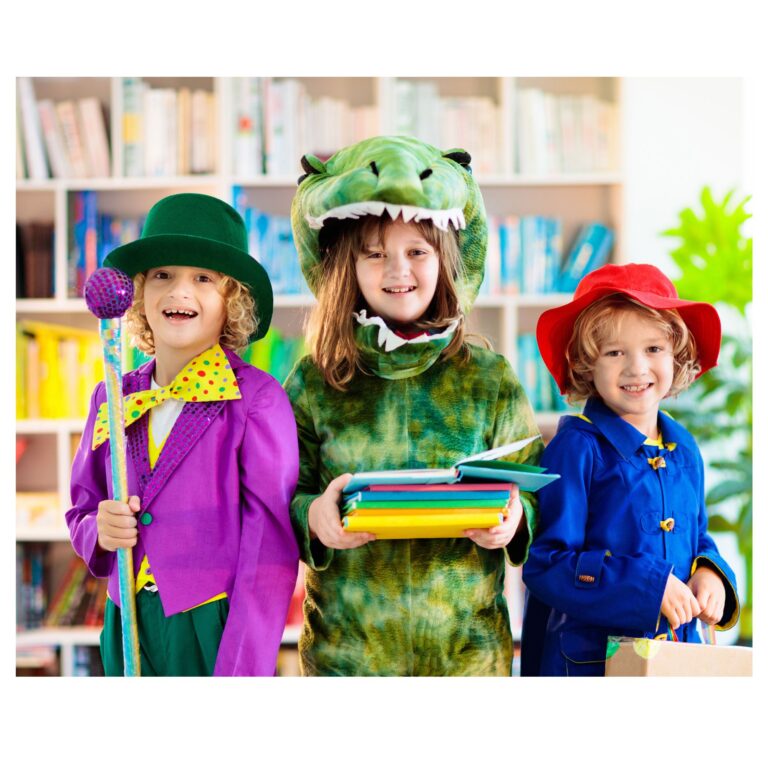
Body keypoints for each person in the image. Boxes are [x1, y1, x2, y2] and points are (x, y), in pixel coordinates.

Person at [285, 135, 543, 675]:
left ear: (444, 259)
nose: (397, 270)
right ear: (345, 268)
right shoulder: (313, 381)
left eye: (416, 252)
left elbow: (534, 488)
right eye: (374, 253)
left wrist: (515, 519)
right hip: (348, 660)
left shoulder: (489, 378)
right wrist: (314, 516)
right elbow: (280, 494)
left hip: (467, 659)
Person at [66, 193, 300, 676]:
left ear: (231, 300)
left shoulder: (256, 400)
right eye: (162, 275)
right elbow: (82, 508)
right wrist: (99, 531)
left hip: (212, 623)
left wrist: (240, 668)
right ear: (138, 293)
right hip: (126, 620)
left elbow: (269, 553)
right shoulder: (110, 396)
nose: (180, 292)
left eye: (203, 278)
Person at [521, 262, 739, 676]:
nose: (637, 368)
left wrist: (711, 573)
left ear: (678, 355)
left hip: (676, 660)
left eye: (653, 349)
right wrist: (646, 586)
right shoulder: (576, 449)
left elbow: (699, 537)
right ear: (587, 364)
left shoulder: (685, 450)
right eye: (615, 352)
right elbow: (547, 564)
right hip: (590, 666)